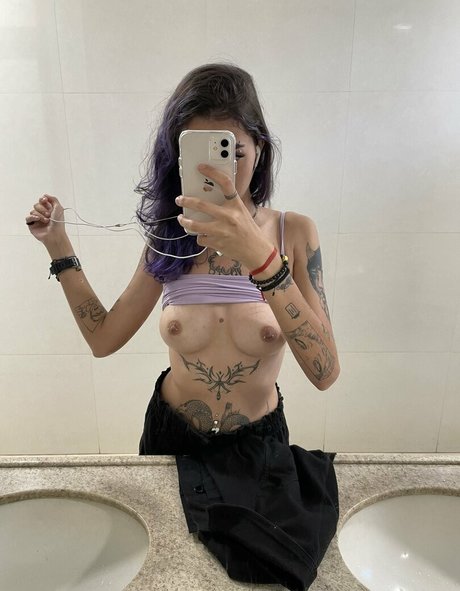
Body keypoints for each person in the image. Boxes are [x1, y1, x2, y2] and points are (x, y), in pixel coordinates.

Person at [26, 63, 341, 591]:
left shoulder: (294, 233)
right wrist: (59, 248)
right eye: (200, 155)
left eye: (233, 152)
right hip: (170, 442)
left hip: (258, 448)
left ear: (259, 149)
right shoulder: (169, 239)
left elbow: (325, 372)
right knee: (163, 579)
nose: (220, 172)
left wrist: (261, 259)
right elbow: (104, 338)